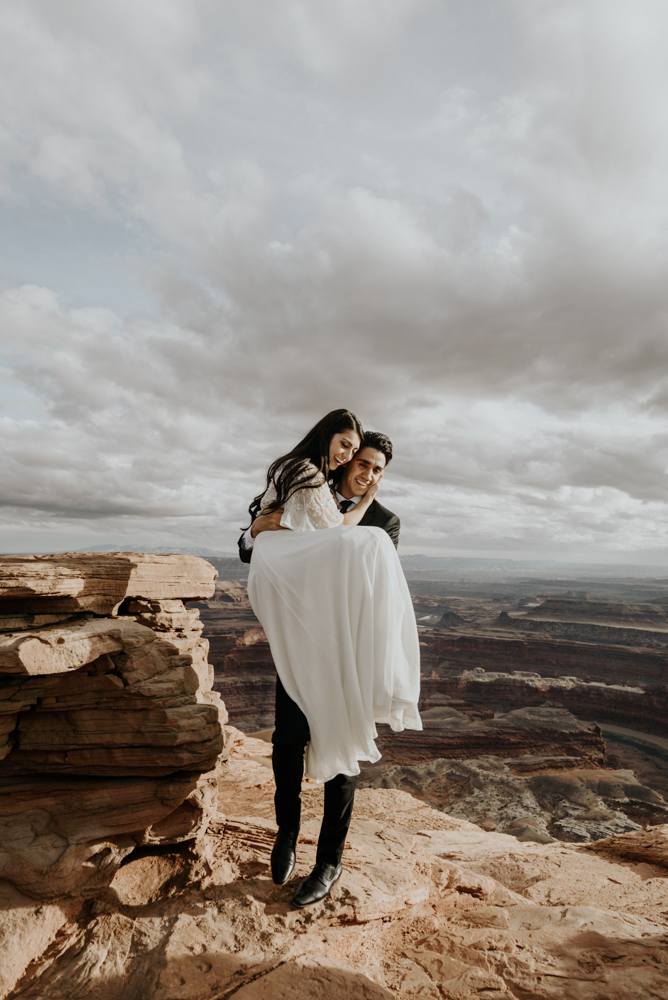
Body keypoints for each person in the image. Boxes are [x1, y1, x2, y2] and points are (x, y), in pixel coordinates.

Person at [240, 409, 421, 908]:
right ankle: (285, 834)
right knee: (286, 742)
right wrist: (258, 526)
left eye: (378, 469)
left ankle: (328, 862)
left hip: (347, 650)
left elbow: (373, 584)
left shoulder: (385, 522)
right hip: (299, 643)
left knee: (344, 752)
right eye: (362, 462)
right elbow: (244, 544)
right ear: (344, 460)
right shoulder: (305, 484)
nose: (367, 473)